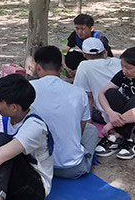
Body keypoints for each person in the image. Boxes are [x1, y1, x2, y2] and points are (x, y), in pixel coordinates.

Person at [29, 46, 98, 179]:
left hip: (37, 166)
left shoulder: (28, 90)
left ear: (38, 67)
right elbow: (81, 130)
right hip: (72, 168)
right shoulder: (78, 92)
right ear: (61, 67)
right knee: (92, 130)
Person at [73, 37, 122, 124]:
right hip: (125, 109)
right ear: (104, 52)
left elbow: (88, 97)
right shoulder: (118, 61)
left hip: (108, 115)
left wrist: (87, 123)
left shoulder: (84, 66)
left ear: (84, 54)